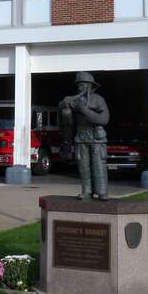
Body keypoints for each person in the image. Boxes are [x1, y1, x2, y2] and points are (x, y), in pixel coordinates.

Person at [60, 72, 110, 200]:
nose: (80, 87)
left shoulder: (98, 99)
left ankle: (102, 191)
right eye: (78, 85)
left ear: (89, 85)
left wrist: (85, 111)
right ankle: (87, 191)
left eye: (82, 84)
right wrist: (65, 106)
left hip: (96, 138)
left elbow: (104, 119)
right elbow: (66, 119)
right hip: (81, 137)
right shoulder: (74, 100)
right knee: (83, 167)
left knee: (98, 165)